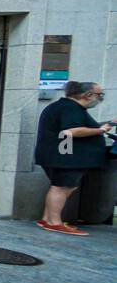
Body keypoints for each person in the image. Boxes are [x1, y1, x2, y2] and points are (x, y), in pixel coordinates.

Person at [34, 81, 114, 236]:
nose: (100, 98)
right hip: (65, 157)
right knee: (62, 187)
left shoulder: (65, 107)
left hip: (60, 155)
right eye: (100, 94)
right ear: (88, 95)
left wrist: (107, 124)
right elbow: (72, 130)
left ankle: (46, 219)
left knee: (61, 186)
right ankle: (54, 223)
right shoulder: (71, 108)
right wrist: (100, 130)